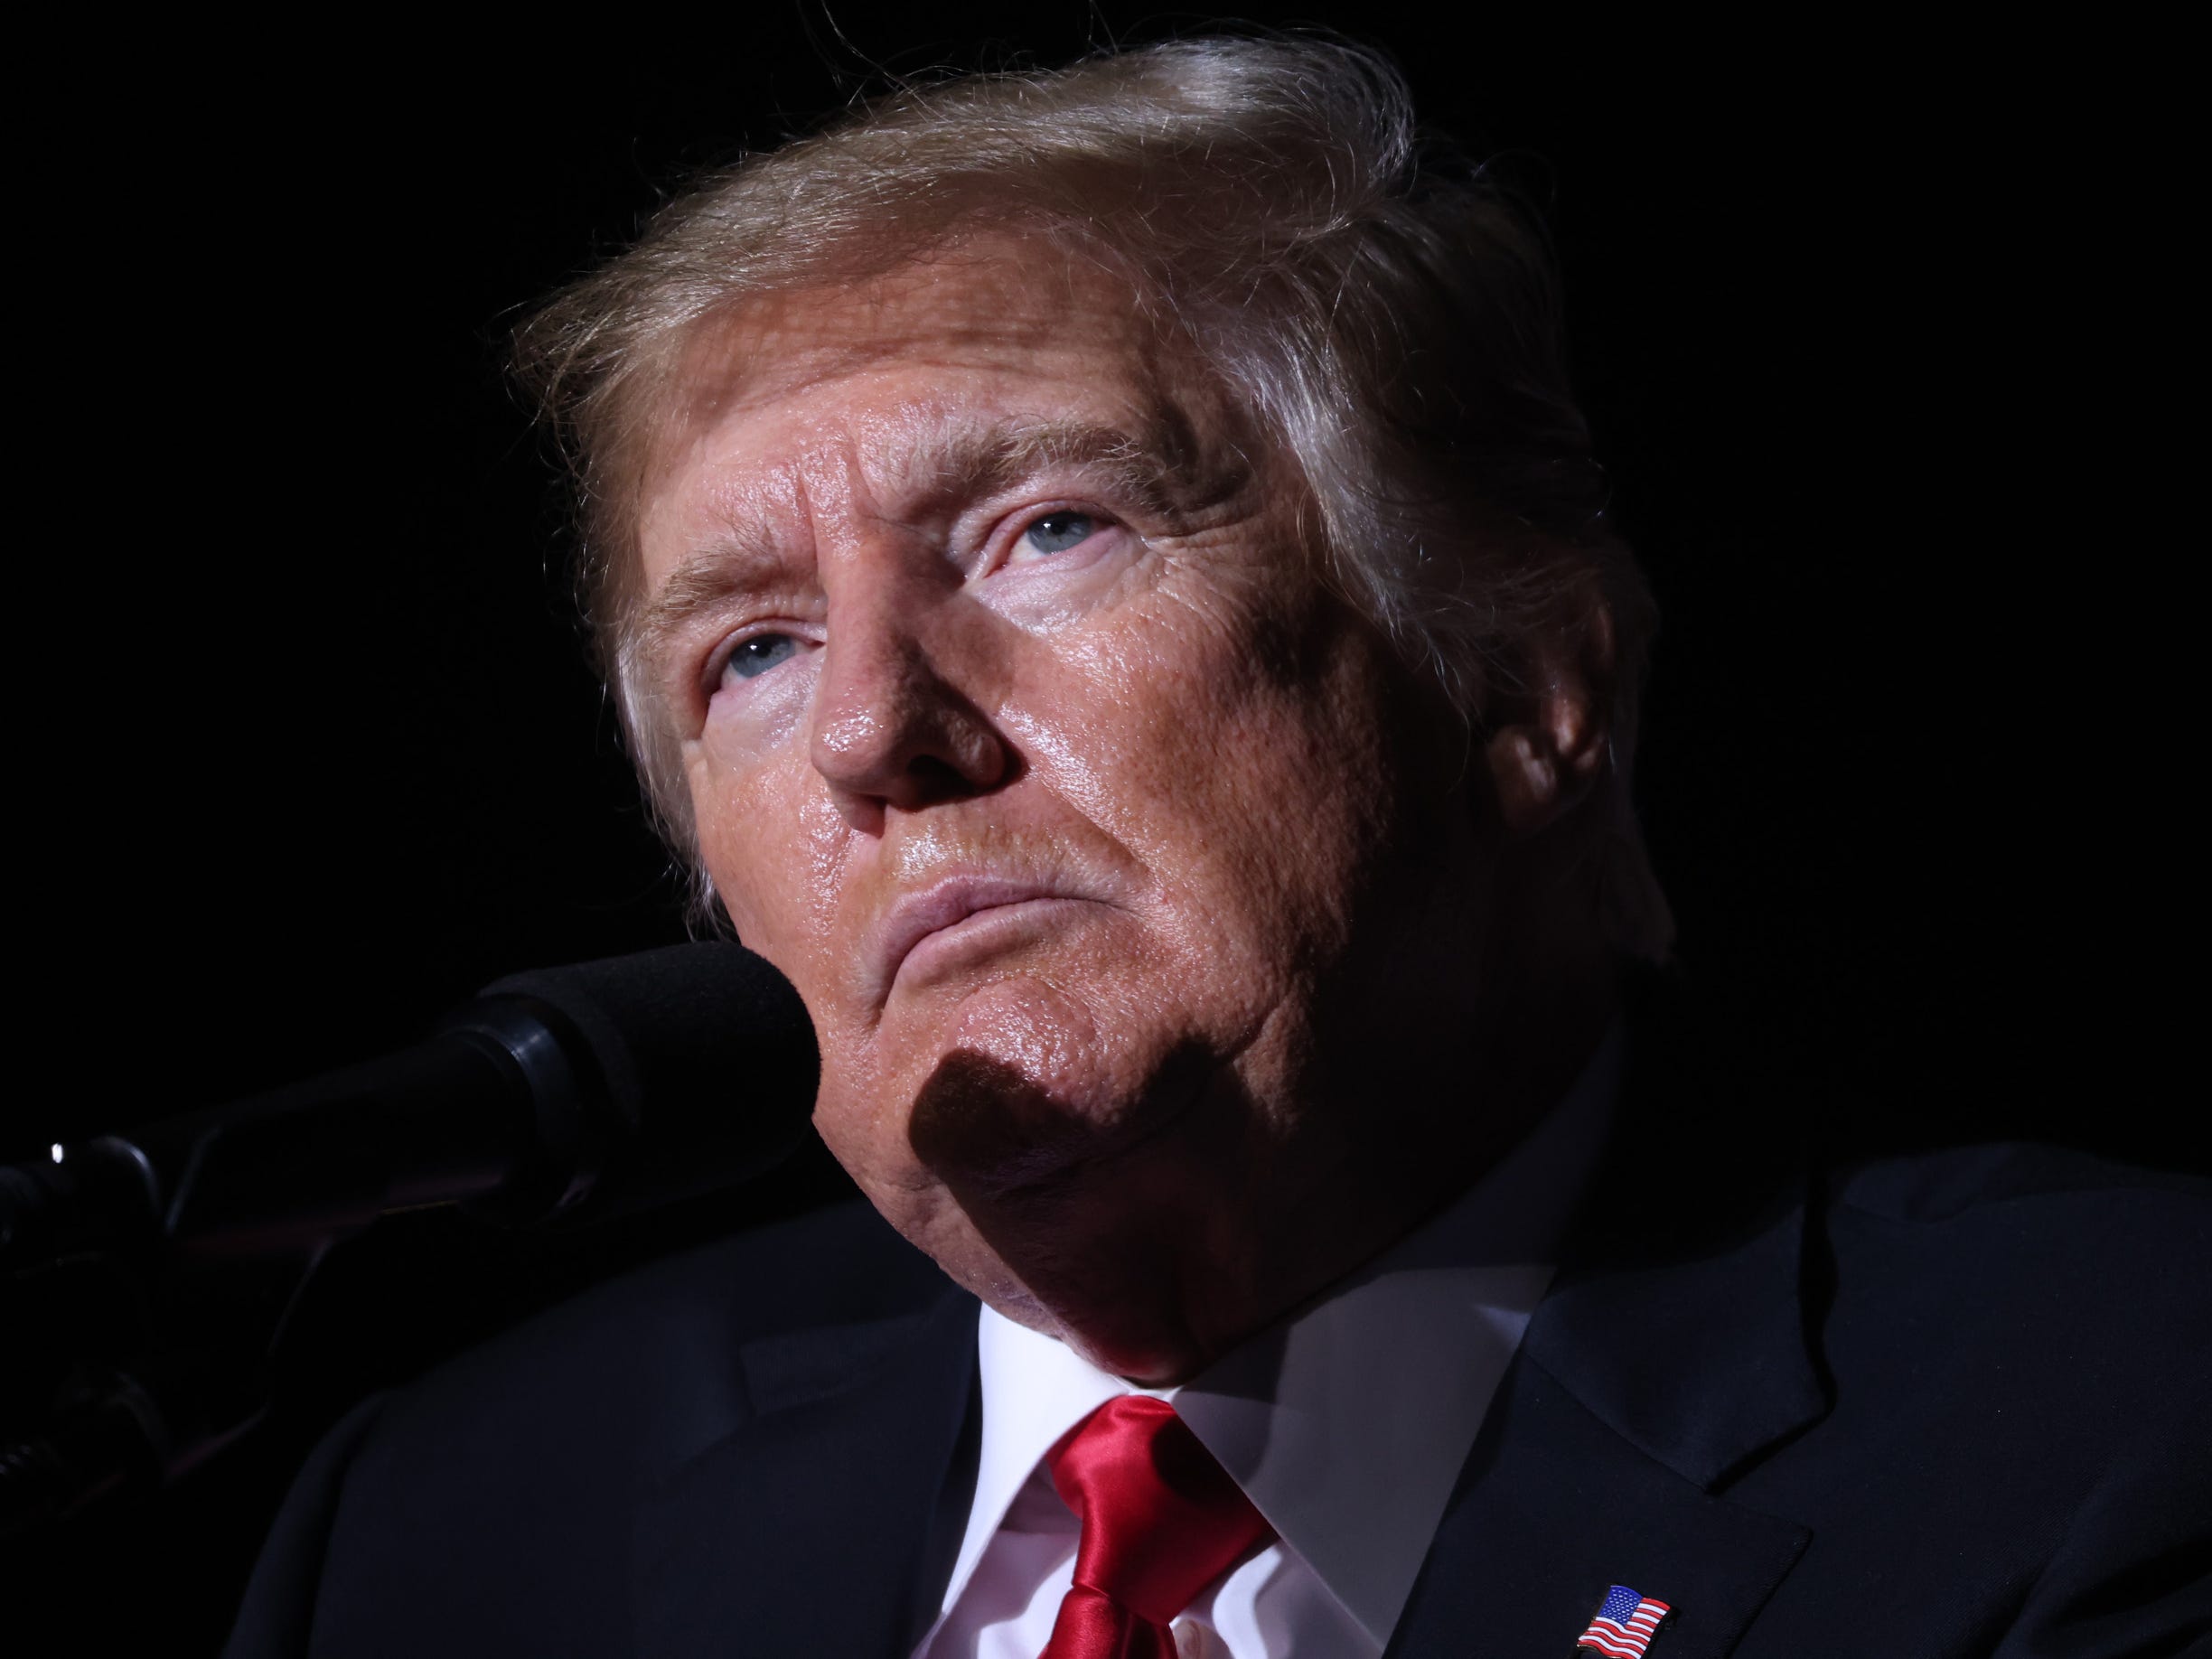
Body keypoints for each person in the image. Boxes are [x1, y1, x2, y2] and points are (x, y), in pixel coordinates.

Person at [222, 38, 2210, 1658]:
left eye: (1048, 530)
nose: (868, 733)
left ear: (1528, 689)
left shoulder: (2118, 1418)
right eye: (750, 648)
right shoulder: (454, 1535)